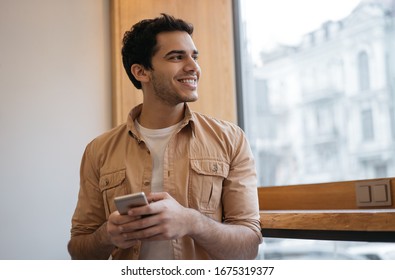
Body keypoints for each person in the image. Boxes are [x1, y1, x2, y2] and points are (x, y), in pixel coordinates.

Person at [67, 13, 262, 260]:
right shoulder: (98, 150)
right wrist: (107, 236)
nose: (194, 67)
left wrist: (192, 222)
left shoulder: (231, 140)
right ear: (141, 72)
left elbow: (248, 247)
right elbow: (79, 250)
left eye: (194, 56)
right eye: (177, 57)